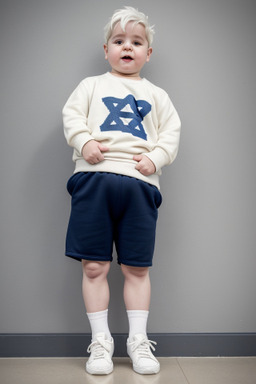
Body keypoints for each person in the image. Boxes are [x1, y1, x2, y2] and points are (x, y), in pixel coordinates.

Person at [62, 6, 181, 376]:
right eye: (119, 41)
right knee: (94, 265)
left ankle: (137, 341)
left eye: (136, 41)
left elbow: (171, 133)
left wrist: (156, 158)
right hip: (94, 180)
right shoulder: (90, 86)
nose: (127, 47)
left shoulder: (158, 95)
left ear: (148, 53)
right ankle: (101, 343)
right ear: (106, 49)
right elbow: (71, 116)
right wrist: (84, 143)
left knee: (137, 268)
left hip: (141, 187)